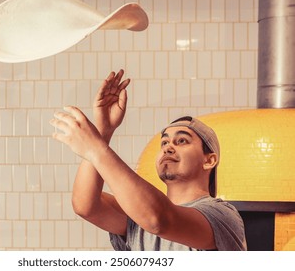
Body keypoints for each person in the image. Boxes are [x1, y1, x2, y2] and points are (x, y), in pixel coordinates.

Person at [49, 69, 247, 251]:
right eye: (164, 142)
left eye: (182, 141)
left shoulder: (222, 216)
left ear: (209, 160)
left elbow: (158, 219)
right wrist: (103, 131)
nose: (169, 147)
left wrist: (95, 148)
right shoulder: (137, 217)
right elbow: (86, 206)